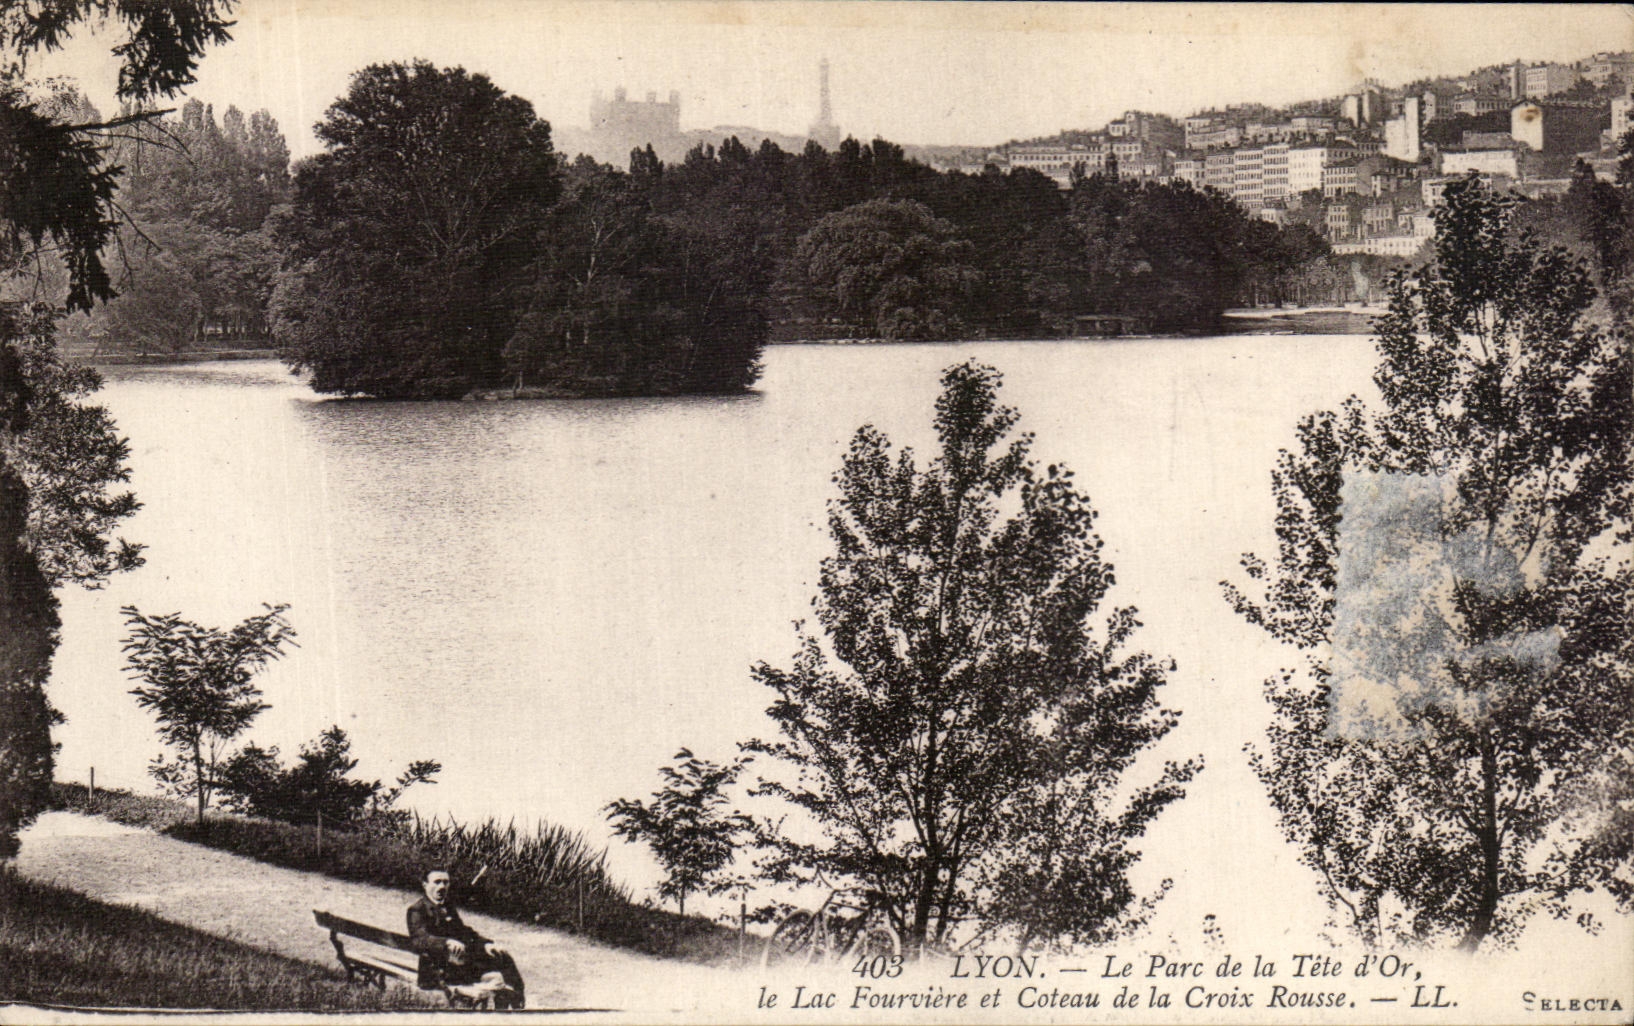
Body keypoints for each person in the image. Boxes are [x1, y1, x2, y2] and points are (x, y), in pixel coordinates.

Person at [407, 867, 526, 1009]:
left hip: (457, 963)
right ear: (425, 884)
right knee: (496, 978)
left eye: (446, 882)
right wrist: (446, 942)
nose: (442, 887)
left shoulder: (447, 906)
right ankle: (508, 1001)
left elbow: (463, 932)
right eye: (437, 882)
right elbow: (420, 940)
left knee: (502, 956)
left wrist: (486, 944)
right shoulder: (417, 910)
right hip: (436, 970)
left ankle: (516, 999)